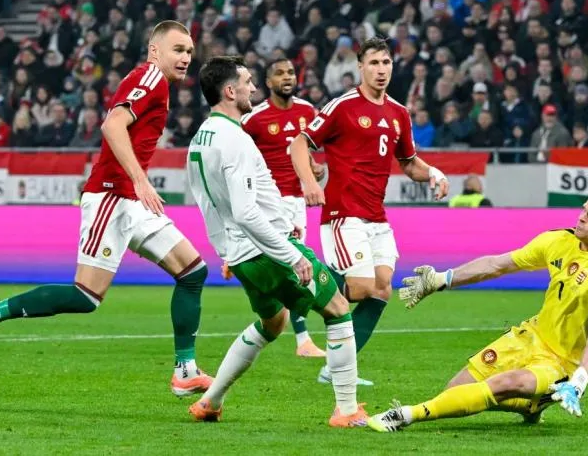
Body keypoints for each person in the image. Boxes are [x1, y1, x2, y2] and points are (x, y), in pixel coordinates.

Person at [0, 21, 215, 400]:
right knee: (86, 297)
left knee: (193, 272)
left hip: (132, 201)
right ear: (154, 50)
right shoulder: (150, 78)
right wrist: (141, 180)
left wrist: (138, 184)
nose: (186, 58)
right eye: (178, 49)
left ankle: (185, 371)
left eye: (190, 51)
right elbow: (112, 126)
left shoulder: (155, 83)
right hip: (112, 197)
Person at [186, 56, 368, 428]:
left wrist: (227, 251)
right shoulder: (236, 139)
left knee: (273, 322)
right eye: (247, 82)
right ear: (230, 91)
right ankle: (347, 410)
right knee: (337, 308)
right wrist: (290, 253)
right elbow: (245, 211)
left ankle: (210, 400)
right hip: (267, 251)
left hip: (242, 253)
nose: (253, 88)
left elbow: (209, 206)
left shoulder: (200, 138)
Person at [367, 185, 588, 432]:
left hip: (567, 361)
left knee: (506, 383)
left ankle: (405, 415)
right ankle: (530, 405)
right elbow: (497, 265)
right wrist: (442, 279)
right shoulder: (559, 241)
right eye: (584, 210)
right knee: (455, 390)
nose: (582, 218)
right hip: (534, 336)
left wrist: (579, 380)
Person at [290, 37, 450, 386]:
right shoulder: (343, 106)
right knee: (361, 287)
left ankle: (335, 370)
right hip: (343, 213)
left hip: (377, 217)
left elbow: (409, 162)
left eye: (386, 62)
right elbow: (299, 143)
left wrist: (433, 173)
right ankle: (298, 288)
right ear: (360, 66)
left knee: (381, 289)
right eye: (374, 63)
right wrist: (309, 182)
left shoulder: (399, 113)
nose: (381, 70)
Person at [241, 58, 326, 358]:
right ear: (268, 82)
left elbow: (307, 153)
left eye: (290, 72)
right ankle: (302, 339)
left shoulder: (308, 112)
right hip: (269, 203)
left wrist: (314, 168)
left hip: (297, 202)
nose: (287, 77)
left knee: (295, 268)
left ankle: (293, 334)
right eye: (279, 73)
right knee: (294, 267)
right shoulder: (254, 118)